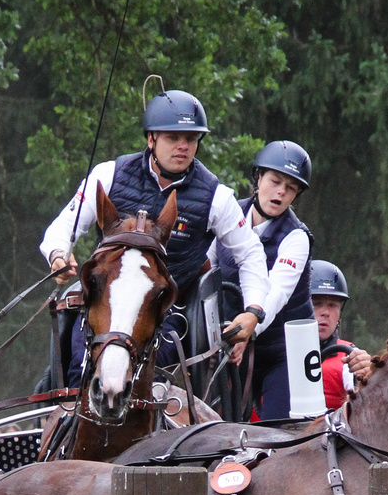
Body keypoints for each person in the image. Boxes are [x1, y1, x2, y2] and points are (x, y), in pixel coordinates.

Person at [39, 90, 273, 383]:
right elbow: (63, 227)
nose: (183, 147)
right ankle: (66, 415)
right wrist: (59, 255)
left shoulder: (216, 197)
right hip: (104, 305)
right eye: (173, 138)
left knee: (145, 375)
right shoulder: (108, 175)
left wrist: (253, 311)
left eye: (191, 139)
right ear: (151, 139)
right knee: (77, 365)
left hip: (166, 312)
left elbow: (250, 253)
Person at [208, 140, 318, 419]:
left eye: (290, 188)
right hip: (233, 344)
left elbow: (275, 293)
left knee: (284, 435)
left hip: (286, 352)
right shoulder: (228, 216)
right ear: (258, 178)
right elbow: (204, 271)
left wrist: (248, 330)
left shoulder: (297, 237)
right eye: (275, 181)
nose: (280, 192)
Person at [307, 261, 374, 410]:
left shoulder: (349, 357)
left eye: (333, 305)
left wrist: (370, 377)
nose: (325, 312)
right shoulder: (273, 351)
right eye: (316, 304)